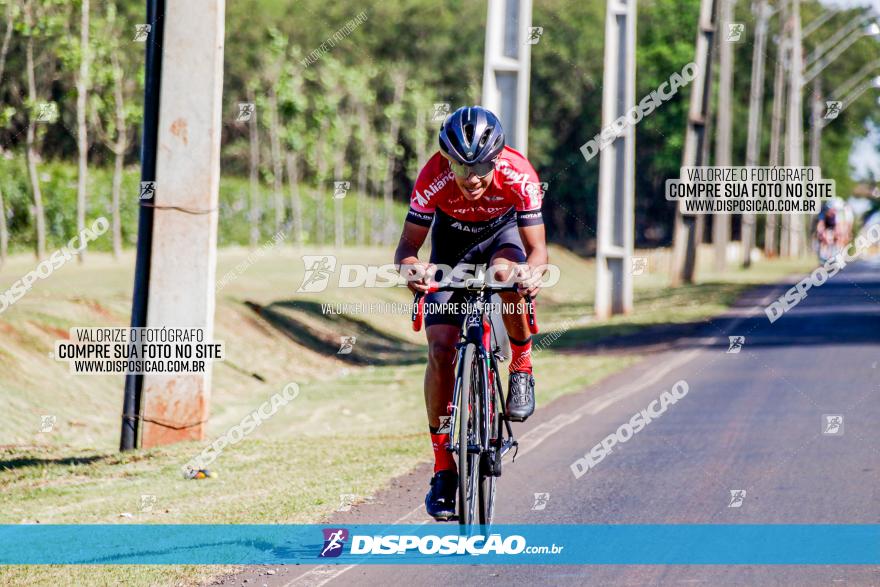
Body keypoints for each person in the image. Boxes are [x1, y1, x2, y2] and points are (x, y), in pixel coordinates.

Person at [393, 106, 548, 520]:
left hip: (503, 240)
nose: (473, 176)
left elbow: (537, 250)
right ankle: (444, 469)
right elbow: (407, 248)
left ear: (497, 158)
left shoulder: (519, 174)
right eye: (463, 166)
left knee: (506, 275)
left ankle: (521, 366)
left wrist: (531, 274)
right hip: (451, 250)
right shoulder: (432, 180)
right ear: (448, 161)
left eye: (482, 165)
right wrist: (413, 270)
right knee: (441, 349)